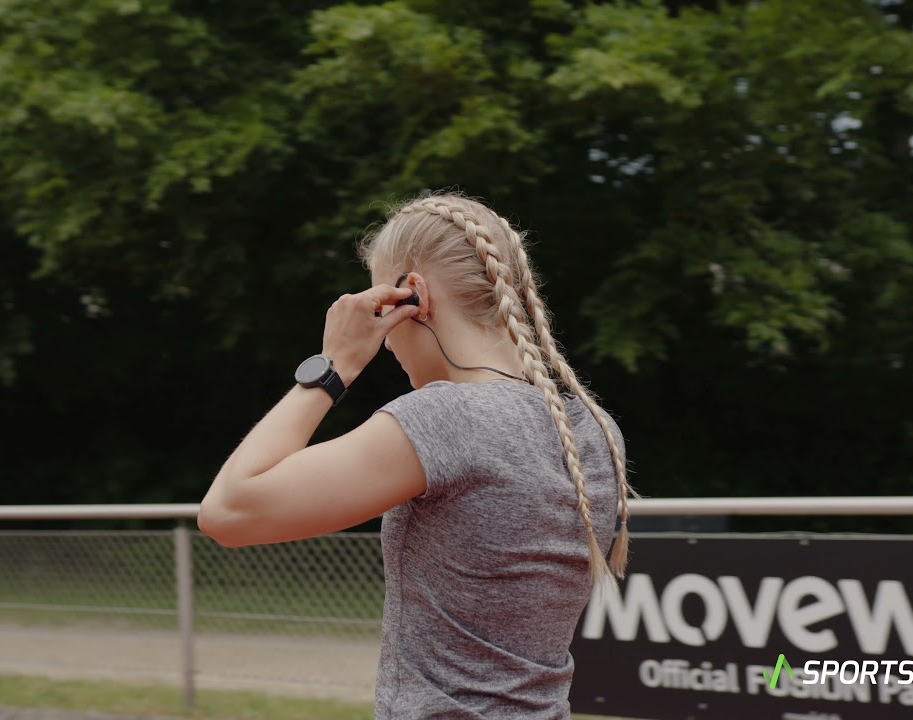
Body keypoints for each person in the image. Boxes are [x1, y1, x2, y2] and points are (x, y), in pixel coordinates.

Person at [198, 192, 640, 719]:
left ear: (415, 296)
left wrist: (333, 365)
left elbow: (227, 512)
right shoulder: (594, 428)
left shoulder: (445, 417)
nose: (385, 343)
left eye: (382, 309)